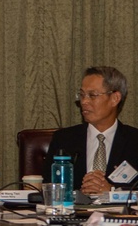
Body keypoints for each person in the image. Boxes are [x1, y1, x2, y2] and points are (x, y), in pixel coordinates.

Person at [43, 66, 138, 195]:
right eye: (82, 95)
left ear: (115, 98)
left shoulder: (134, 141)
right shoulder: (64, 139)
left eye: (92, 95)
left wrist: (112, 192)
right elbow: (49, 187)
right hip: (73, 213)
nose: (84, 102)